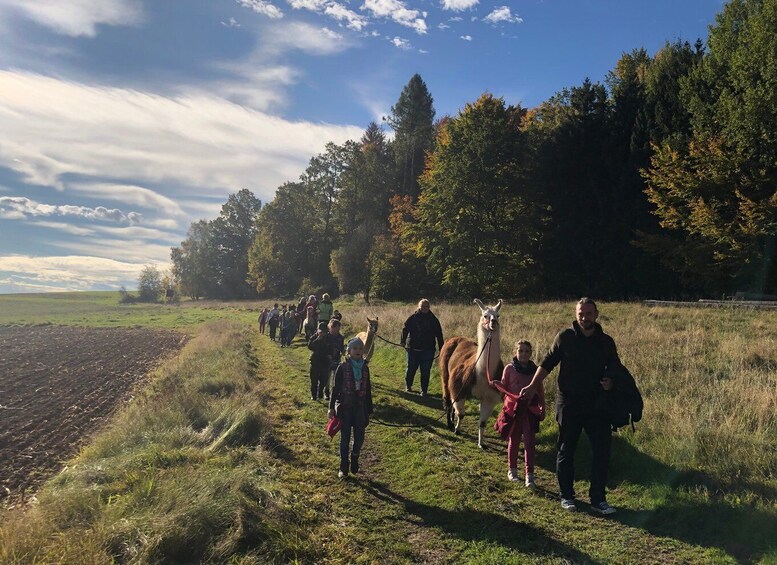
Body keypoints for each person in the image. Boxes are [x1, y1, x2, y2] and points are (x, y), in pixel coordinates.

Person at [519, 298, 621, 515]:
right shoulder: (565, 338)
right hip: (569, 403)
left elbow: (615, 366)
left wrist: (611, 380)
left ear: (597, 314)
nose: (585, 318)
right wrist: (531, 387)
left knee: (602, 451)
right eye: (581, 314)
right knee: (567, 449)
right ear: (576, 315)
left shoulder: (606, 341)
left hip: (597, 405)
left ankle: (598, 499)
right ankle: (567, 495)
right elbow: (547, 363)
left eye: (589, 313)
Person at [491, 340, 545, 488]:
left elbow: (540, 391)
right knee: (513, 441)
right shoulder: (509, 369)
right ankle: (512, 471)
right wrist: (496, 384)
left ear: (531, 353)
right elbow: (505, 386)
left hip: (529, 410)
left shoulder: (535, 371)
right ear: (515, 352)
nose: (524, 354)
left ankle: (529, 475)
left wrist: (543, 408)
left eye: (527, 351)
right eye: (520, 351)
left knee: (529, 443)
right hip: (513, 410)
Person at [328, 337, 373, 478]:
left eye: (360, 349)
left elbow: (368, 390)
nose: (358, 351)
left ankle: (354, 456)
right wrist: (331, 407)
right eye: (355, 349)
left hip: (360, 408)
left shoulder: (365, 368)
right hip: (345, 408)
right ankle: (343, 467)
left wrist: (369, 409)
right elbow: (335, 389)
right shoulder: (342, 367)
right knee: (345, 438)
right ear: (349, 351)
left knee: (359, 438)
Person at [400, 298, 444, 396]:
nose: (425, 308)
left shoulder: (434, 320)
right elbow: (405, 328)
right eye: (423, 306)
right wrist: (402, 341)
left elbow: (439, 334)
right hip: (412, 349)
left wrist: (442, 348)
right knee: (411, 369)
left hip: (428, 350)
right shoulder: (412, 318)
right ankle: (408, 386)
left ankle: (424, 390)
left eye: (427, 306)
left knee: (425, 371)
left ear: (429, 307)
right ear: (419, 307)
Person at [308, 322, 331, 400]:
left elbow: (330, 349)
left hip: (325, 362)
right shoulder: (314, 337)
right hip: (315, 361)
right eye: (321, 331)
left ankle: (320, 390)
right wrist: (318, 339)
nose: (322, 333)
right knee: (314, 380)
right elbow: (310, 346)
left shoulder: (329, 338)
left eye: (324, 331)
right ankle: (314, 395)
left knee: (324, 379)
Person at [325, 318, 345, 400]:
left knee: (336, 377)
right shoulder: (326, 336)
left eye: (338, 328)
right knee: (327, 377)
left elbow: (341, 348)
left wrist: (345, 352)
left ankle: (334, 393)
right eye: (335, 328)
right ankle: (326, 392)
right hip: (327, 359)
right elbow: (323, 347)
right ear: (331, 327)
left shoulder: (340, 337)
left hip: (337, 359)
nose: (337, 330)